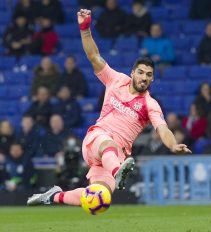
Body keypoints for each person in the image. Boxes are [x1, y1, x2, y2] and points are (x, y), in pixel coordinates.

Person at [27, 9, 191, 207]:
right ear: (133, 73)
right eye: (140, 72)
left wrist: (172, 145)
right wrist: (85, 29)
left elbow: (163, 129)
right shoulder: (115, 80)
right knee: (108, 143)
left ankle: (53, 196)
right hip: (97, 140)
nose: (144, 77)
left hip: (116, 156)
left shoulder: (150, 104)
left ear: (152, 79)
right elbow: (94, 56)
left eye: (148, 74)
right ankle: (117, 172)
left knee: (98, 199)